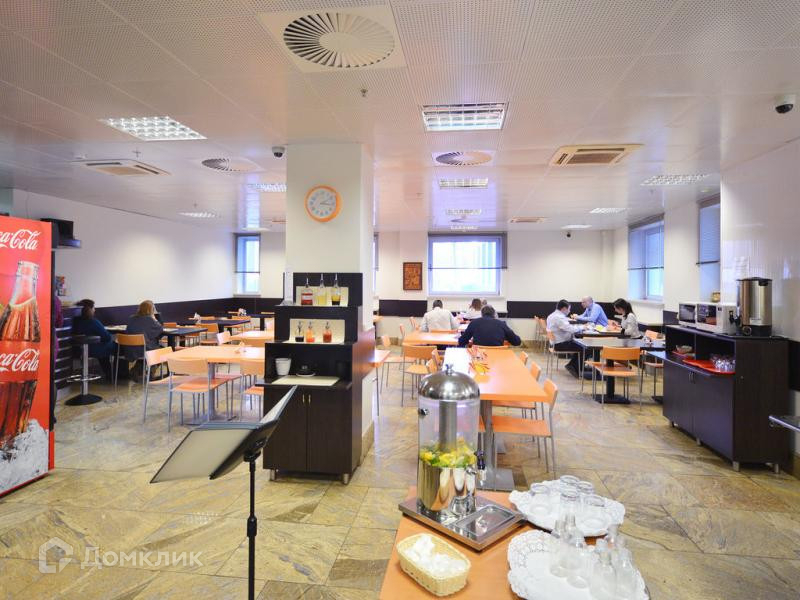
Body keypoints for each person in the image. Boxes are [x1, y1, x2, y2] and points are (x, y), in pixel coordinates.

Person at [71, 298, 115, 380]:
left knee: (106, 348)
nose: (95, 310)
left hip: (77, 350)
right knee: (114, 347)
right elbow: (107, 337)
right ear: (90, 309)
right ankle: (114, 374)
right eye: (93, 308)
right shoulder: (93, 322)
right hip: (93, 350)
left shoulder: (75, 322)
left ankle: (109, 373)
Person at [546, 299, 585, 378]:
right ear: (564, 309)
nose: (569, 311)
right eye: (569, 309)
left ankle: (572, 365)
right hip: (561, 344)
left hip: (555, 343)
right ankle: (575, 368)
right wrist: (583, 327)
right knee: (585, 347)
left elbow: (567, 327)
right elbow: (570, 329)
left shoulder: (552, 315)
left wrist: (579, 327)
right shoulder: (559, 317)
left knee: (581, 345)